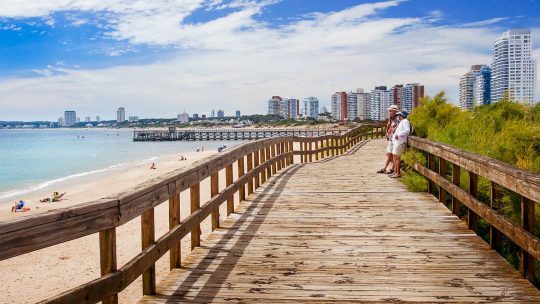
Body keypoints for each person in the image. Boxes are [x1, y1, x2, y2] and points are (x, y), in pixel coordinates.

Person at [376, 105, 399, 174]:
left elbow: (397, 128)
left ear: (395, 111)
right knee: (389, 154)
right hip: (390, 139)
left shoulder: (398, 119)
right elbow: (389, 127)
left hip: (394, 139)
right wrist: (387, 133)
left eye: (391, 111)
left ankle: (388, 168)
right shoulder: (390, 119)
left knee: (392, 154)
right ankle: (389, 168)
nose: (389, 112)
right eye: (390, 111)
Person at [389, 110, 411, 178]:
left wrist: (398, 135)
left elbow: (407, 130)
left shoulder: (405, 121)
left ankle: (398, 173)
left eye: (399, 115)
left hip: (401, 142)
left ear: (402, 115)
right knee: (395, 157)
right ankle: (395, 172)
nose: (398, 116)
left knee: (397, 157)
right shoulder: (401, 122)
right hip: (398, 141)